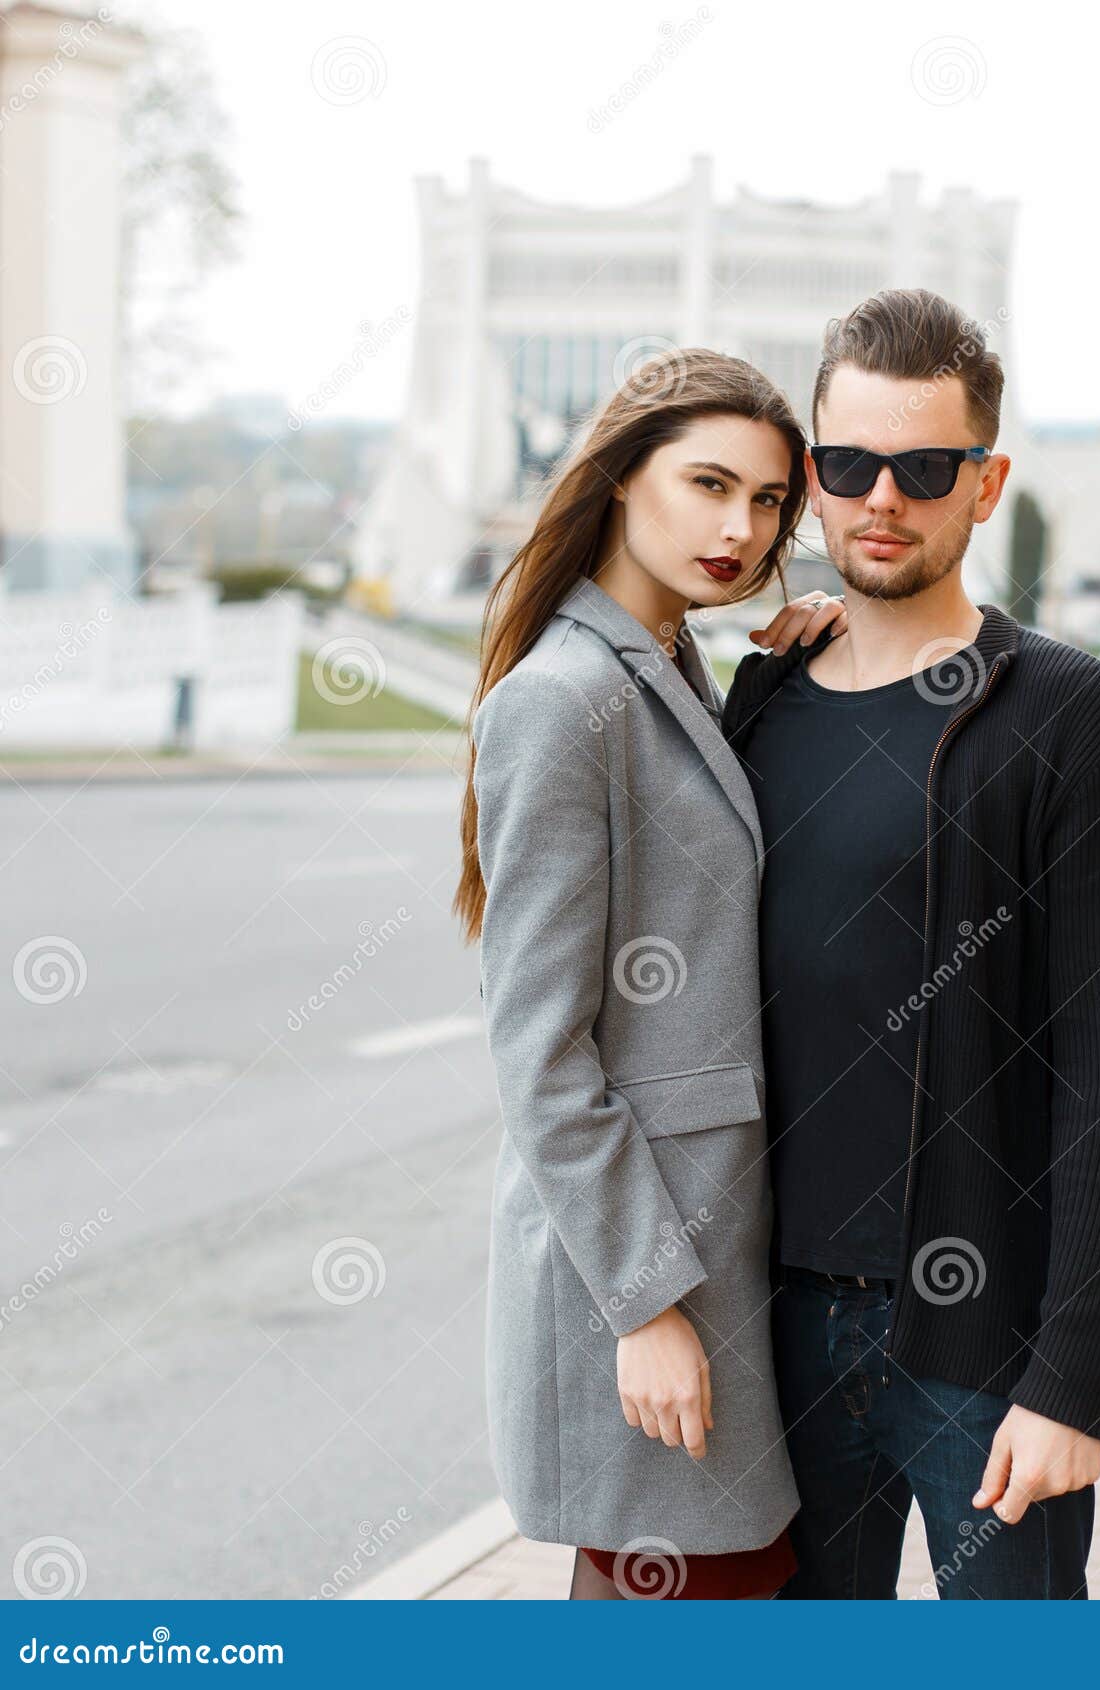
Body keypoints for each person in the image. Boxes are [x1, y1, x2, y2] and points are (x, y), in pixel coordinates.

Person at [722, 289, 1100, 1599]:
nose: (882, 500)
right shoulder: (758, 708)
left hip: (985, 1355)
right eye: (850, 465)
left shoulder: (1067, 714)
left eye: (925, 470)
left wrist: (1072, 1383)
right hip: (785, 1339)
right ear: (812, 475)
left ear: (986, 484)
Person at [455, 347, 847, 1599]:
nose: (741, 527)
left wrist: (776, 683)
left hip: (707, 1247)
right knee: (678, 1593)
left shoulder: (662, 666)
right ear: (622, 477)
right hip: (642, 1270)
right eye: (708, 484)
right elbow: (539, 1048)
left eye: (772, 500)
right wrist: (643, 1306)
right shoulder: (562, 698)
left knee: (717, 1584)